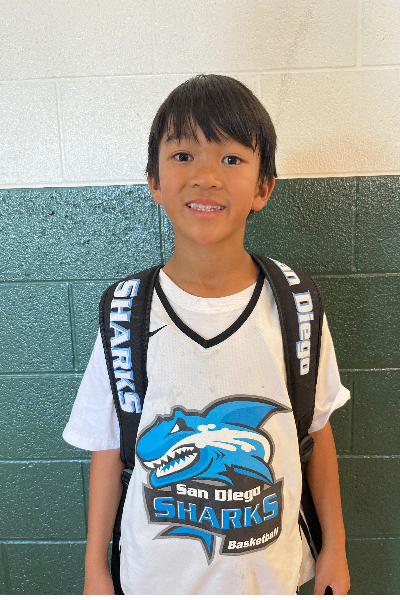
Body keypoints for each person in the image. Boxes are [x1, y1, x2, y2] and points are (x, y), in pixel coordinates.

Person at [63, 74, 351, 595]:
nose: (206, 177)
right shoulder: (127, 312)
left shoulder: (296, 305)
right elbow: (106, 449)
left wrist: (336, 548)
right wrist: (94, 571)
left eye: (232, 158)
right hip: (151, 580)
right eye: (183, 155)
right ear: (154, 181)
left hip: (268, 578)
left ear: (263, 187)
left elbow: (318, 431)